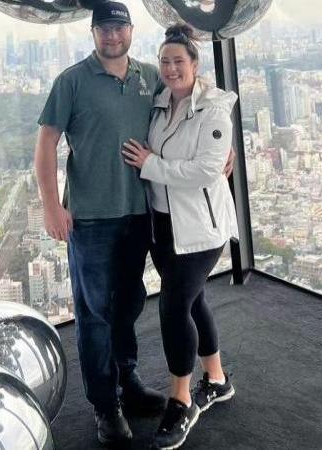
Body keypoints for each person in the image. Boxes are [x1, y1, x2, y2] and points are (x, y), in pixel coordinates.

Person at [34, 1, 168, 446]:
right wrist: (53, 207)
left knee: (129, 305)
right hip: (90, 219)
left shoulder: (149, 76)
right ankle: (104, 405)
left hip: (137, 212)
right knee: (94, 316)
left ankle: (127, 382)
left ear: (131, 31)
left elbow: (192, 99)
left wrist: (221, 146)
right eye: (104, 29)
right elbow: (46, 145)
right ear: (93, 34)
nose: (112, 36)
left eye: (119, 28)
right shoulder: (71, 81)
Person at [122, 23, 238, 450]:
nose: (171, 69)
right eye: (165, 62)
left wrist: (151, 164)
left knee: (173, 306)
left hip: (202, 230)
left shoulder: (213, 111)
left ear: (195, 64)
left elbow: (206, 170)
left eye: (178, 61)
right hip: (164, 224)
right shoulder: (159, 104)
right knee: (193, 300)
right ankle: (218, 379)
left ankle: (181, 399)